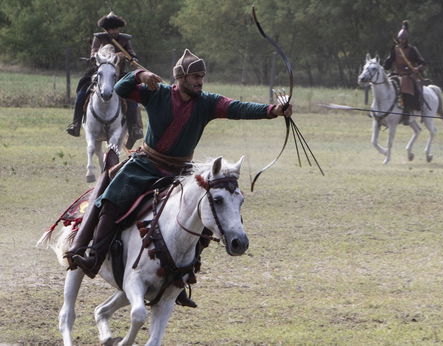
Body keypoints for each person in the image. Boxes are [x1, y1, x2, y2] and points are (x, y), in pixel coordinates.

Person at [65, 49, 292, 307]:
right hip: (146, 164)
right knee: (111, 199)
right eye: (195, 76)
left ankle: (181, 276)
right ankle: (94, 256)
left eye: (202, 77)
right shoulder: (157, 92)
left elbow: (238, 108)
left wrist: (273, 110)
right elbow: (120, 87)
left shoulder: (207, 102)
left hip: (181, 172)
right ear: (181, 78)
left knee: (205, 220)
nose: (200, 82)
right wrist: (141, 74)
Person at [66, 11, 144, 149]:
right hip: (100, 72)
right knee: (82, 93)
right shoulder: (99, 38)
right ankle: (76, 123)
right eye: (111, 28)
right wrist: (97, 56)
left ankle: (134, 128)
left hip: (119, 74)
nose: (113, 31)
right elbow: (93, 52)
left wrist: (131, 58)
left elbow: (132, 54)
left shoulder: (125, 39)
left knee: (132, 99)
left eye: (116, 28)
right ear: (106, 29)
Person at [383, 20, 426, 125]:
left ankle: (406, 114)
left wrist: (417, 68)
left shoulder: (412, 50)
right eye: (400, 38)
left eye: (403, 39)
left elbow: (423, 64)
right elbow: (389, 61)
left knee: (405, 86)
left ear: (406, 39)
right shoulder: (395, 49)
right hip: (396, 74)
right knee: (384, 85)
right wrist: (384, 67)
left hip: (408, 75)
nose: (401, 40)